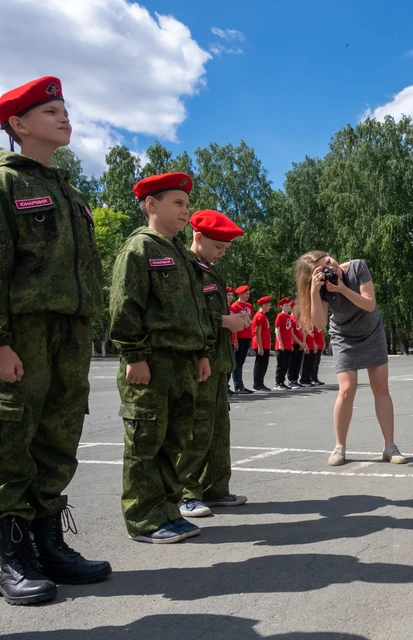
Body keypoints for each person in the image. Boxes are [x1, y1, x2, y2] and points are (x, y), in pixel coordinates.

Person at [0, 76, 111, 605]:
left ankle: (47, 542)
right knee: (10, 441)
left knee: (57, 436)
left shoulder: (68, 190)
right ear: (18, 126)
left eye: (65, 108)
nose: (64, 117)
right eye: (50, 111)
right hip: (23, 331)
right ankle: (10, 551)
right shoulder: (4, 184)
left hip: (70, 331)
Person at [109, 172, 215, 544]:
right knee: (145, 442)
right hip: (151, 362)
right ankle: (144, 518)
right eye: (177, 203)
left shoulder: (182, 255)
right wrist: (134, 355)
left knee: (173, 441)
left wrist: (202, 352)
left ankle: (168, 510)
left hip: (183, 362)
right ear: (151, 205)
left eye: (187, 204)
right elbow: (125, 306)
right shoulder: (140, 248)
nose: (185, 210)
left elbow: (199, 310)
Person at [294, 251, 406, 466]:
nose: (330, 267)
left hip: (372, 331)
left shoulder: (357, 267)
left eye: (329, 261)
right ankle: (339, 447)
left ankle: (389, 446)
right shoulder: (320, 286)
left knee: (381, 387)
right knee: (347, 389)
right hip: (344, 336)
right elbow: (319, 324)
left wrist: (342, 289)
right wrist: (314, 292)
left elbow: (369, 304)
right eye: (322, 268)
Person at [177, 210, 249, 519]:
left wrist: (232, 321)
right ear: (198, 237)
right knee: (197, 431)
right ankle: (186, 493)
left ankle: (216, 489)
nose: (221, 253)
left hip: (217, 361)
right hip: (198, 359)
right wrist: (226, 320)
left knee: (219, 430)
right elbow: (184, 313)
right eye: (218, 247)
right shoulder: (185, 268)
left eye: (225, 249)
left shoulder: (208, 269)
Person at [229, 285, 255, 394]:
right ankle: (238, 385)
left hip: (247, 335)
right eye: (245, 293)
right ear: (239, 294)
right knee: (237, 361)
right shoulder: (235, 306)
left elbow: (250, 320)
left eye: (248, 293)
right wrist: (235, 340)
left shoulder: (249, 305)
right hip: (239, 335)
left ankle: (240, 384)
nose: (247, 295)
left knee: (242, 361)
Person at [251, 296, 273, 391]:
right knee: (260, 365)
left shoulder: (263, 315)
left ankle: (260, 383)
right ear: (263, 305)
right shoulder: (259, 316)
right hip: (261, 344)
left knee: (264, 365)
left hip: (265, 344)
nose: (269, 307)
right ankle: (257, 384)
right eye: (268, 305)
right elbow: (258, 332)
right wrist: (260, 347)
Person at [273, 298, 294, 391]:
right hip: (282, 344)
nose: (288, 307)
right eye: (286, 305)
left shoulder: (289, 317)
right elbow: (277, 329)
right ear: (281, 306)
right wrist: (280, 342)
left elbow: (290, 331)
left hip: (288, 344)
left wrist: (291, 344)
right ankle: (278, 382)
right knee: (280, 364)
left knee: (286, 364)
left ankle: (283, 381)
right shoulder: (280, 316)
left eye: (289, 305)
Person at [287, 303, 308, 389]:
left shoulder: (299, 320)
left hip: (300, 344)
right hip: (294, 343)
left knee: (298, 362)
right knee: (292, 362)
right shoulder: (290, 319)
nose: (298, 308)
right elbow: (291, 333)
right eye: (296, 307)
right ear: (291, 308)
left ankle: (296, 379)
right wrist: (300, 343)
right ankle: (291, 380)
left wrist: (303, 343)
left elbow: (303, 332)